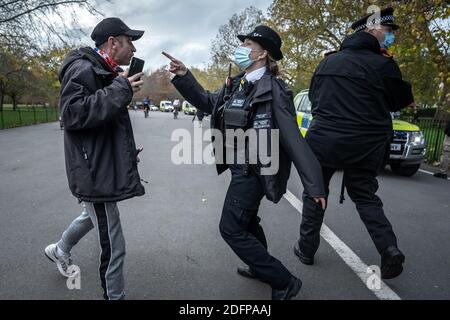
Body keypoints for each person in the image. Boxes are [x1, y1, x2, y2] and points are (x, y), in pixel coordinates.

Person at [164, 25, 326, 300]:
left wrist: (315, 186)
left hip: (257, 169)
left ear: (263, 54)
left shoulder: (275, 90)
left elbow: (293, 139)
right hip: (239, 166)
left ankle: (284, 281)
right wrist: (184, 76)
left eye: (248, 44)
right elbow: (206, 101)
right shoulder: (238, 83)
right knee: (247, 220)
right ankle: (258, 267)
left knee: (230, 228)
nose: (241, 48)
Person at [295, 7, 415, 280]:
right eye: (387, 31)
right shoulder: (385, 65)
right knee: (366, 197)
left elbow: (315, 98)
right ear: (370, 30)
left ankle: (306, 249)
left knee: (316, 194)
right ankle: (389, 249)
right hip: (366, 146)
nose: (390, 36)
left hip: (324, 142)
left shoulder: (328, 62)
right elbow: (399, 103)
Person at [44, 17, 145, 300]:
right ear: (113, 43)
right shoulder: (83, 68)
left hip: (98, 166)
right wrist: (120, 89)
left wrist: (121, 89)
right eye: (130, 43)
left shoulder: (105, 71)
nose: (134, 51)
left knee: (93, 215)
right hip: (93, 171)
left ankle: (59, 249)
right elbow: (73, 114)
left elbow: (102, 116)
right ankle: (115, 297)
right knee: (115, 243)